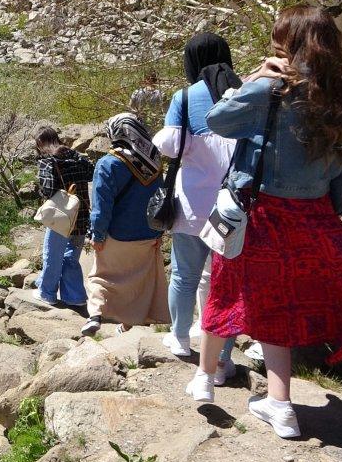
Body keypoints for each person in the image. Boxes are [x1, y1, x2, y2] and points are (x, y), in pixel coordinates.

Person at [189, 6, 342, 439]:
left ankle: (215, 380)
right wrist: (329, 216)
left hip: (259, 213)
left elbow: (217, 121)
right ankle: (280, 405)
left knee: (229, 293)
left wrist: (257, 78)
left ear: (292, 44)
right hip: (314, 217)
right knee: (281, 312)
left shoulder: (275, 89)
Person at [152, 33, 239, 378]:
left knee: (184, 276)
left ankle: (179, 339)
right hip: (233, 208)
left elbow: (170, 146)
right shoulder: (245, 91)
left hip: (191, 204)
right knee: (226, 285)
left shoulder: (185, 97)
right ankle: (221, 361)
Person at [82, 114, 168, 337]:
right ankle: (128, 325)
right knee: (138, 283)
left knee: (100, 277)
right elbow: (161, 199)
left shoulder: (108, 163)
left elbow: (101, 206)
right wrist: (159, 231)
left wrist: (97, 235)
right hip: (148, 235)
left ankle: (95, 316)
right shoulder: (155, 162)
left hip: (116, 235)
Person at [34, 127, 94, 308]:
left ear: (41, 144)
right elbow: (92, 173)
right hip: (81, 215)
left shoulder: (48, 161)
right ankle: (75, 297)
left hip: (60, 218)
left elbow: (47, 190)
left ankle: (47, 293)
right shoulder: (77, 157)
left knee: (52, 255)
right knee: (70, 257)